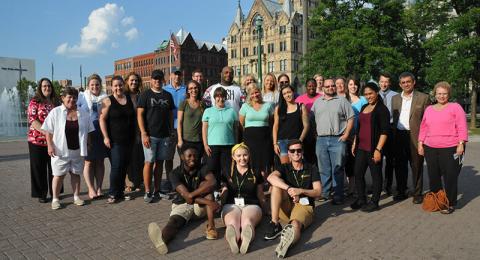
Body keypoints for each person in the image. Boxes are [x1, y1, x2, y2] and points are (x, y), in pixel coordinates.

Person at [147, 145, 220, 255]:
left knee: (207, 187)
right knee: (174, 222)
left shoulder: (203, 168)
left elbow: (213, 182)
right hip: (182, 204)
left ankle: (211, 227)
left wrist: (193, 194)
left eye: (195, 156)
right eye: (189, 156)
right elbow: (188, 199)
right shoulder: (174, 174)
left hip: (199, 208)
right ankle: (162, 240)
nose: (192, 158)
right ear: (182, 157)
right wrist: (209, 202)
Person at [264, 140, 321, 258]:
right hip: (287, 205)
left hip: (304, 206)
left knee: (295, 224)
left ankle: (286, 244)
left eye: (299, 150)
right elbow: (270, 177)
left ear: (303, 152)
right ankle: (275, 223)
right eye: (292, 151)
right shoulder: (284, 167)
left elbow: (318, 192)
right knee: (276, 186)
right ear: (288, 153)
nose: (296, 153)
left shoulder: (311, 168)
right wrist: (289, 189)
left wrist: (301, 191)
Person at [418, 82, 468, 214]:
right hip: (430, 147)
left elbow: (462, 126)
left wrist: (461, 143)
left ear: (448, 94)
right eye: (439, 93)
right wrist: (420, 143)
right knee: (433, 176)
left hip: (450, 147)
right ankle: (438, 200)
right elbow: (423, 127)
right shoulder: (429, 109)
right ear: (435, 94)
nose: (441, 96)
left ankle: (450, 203)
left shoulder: (455, 107)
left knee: (450, 176)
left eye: (444, 93)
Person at [42, 87, 95, 210]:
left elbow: (89, 130)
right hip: (60, 150)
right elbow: (48, 131)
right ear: (63, 98)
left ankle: (76, 197)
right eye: (69, 97)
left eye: (74, 97)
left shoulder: (83, 112)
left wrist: (89, 143)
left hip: (77, 150)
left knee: (76, 174)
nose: (72, 99)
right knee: (58, 175)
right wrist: (49, 145)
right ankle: (55, 199)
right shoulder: (55, 112)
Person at [312, 78, 354, 204]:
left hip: (338, 139)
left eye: (332, 86)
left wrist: (346, 135)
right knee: (323, 168)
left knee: (338, 168)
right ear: (323, 88)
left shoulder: (342, 100)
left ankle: (338, 194)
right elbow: (312, 120)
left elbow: (351, 118)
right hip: (321, 139)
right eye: (327, 86)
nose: (330, 88)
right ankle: (325, 193)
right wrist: (316, 135)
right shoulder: (317, 102)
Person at [350, 82, 390, 212]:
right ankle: (362, 198)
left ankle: (374, 202)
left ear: (376, 92)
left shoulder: (382, 109)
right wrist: (355, 142)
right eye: (366, 94)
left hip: (373, 148)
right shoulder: (364, 107)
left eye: (370, 93)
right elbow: (359, 127)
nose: (368, 96)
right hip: (361, 147)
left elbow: (385, 132)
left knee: (376, 175)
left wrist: (378, 149)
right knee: (358, 173)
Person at [391, 72, 430, 203]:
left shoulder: (423, 98)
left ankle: (417, 193)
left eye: (408, 81)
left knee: (417, 165)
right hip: (399, 136)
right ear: (400, 84)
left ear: (414, 82)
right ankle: (401, 191)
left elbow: (428, 121)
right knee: (400, 166)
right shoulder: (395, 98)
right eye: (403, 82)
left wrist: (424, 140)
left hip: (416, 137)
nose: (406, 84)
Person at [137, 70, 175, 203]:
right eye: (155, 79)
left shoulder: (168, 95)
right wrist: (143, 133)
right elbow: (140, 114)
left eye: (159, 79)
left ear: (163, 80)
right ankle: (148, 191)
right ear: (151, 80)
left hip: (164, 136)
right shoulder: (145, 94)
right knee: (149, 162)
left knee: (160, 163)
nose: (157, 81)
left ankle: (157, 190)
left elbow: (171, 114)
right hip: (150, 136)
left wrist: (171, 131)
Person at [220, 143, 266, 254]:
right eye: (239, 155)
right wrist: (220, 203)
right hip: (231, 204)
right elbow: (224, 190)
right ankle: (234, 237)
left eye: (245, 155)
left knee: (247, 221)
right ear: (233, 157)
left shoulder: (255, 171)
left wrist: (266, 207)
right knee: (232, 222)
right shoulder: (227, 171)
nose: (242, 158)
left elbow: (260, 193)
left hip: (252, 204)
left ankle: (245, 238)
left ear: (249, 155)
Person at [99, 76, 136, 203]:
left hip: (129, 139)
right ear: (112, 87)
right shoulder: (108, 101)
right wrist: (105, 137)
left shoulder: (130, 99)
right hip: (115, 140)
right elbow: (102, 119)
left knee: (124, 166)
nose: (118, 88)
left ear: (123, 85)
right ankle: (112, 193)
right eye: (115, 85)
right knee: (116, 166)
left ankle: (120, 192)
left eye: (120, 85)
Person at [27, 78, 59, 203]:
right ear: (40, 88)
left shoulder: (55, 102)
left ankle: (54, 192)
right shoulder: (34, 102)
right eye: (44, 86)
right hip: (37, 141)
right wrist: (47, 133)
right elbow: (33, 121)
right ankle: (41, 193)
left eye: (49, 86)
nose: (47, 88)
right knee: (38, 168)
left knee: (54, 167)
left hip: (54, 141)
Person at [77, 74, 108, 199]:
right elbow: (74, 110)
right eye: (92, 84)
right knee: (88, 162)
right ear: (88, 86)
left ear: (100, 85)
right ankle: (91, 189)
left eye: (97, 84)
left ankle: (99, 188)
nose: (95, 86)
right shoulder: (82, 97)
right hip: (87, 134)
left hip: (101, 133)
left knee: (100, 161)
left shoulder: (105, 98)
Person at [203, 87, 239, 184]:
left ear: (225, 98)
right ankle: (215, 190)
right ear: (214, 98)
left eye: (223, 96)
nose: (220, 99)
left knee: (227, 170)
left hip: (228, 145)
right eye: (218, 96)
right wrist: (205, 145)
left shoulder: (231, 111)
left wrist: (236, 145)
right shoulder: (208, 111)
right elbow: (204, 129)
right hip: (212, 145)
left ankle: (226, 189)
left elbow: (236, 129)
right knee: (213, 168)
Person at [239, 83, 274, 178]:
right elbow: (241, 124)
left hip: (265, 138)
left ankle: (265, 185)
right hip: (250, 139)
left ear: (260, 92)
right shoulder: (245, 106)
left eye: (257, 92)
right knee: (252, 162)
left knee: (265, 162)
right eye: (252, 93)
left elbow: (271, 122)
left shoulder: (268, 106)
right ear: (249, 95)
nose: (255, 95)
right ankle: (253, 183)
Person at [273, 84, 309, 165]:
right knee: (285, 168)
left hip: (296, 141)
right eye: (284, 94)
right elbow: (275, 126)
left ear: (293, 92)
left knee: (298, 166)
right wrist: (275, 144)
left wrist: (300, 140)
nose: (287, 95)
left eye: (289, 92)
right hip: (282, 142)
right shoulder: (278, 108)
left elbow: (306, 126)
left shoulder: (301, 106)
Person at [163, 70, 187, 193]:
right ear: (171, 76)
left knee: (183, 155)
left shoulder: (186, 89)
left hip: (183, 127)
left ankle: (183, 179)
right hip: (169, 128)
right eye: (175, 74)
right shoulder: (165, 89)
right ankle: (169, 180)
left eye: (179, 74)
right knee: (169, 156)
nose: (177, 76)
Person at [345, 76, 368, 195]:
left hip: (360, 135)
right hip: (346, 136)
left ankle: (358, 187)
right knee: (348, 162)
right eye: (350, 84)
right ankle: (350, 187)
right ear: (347, 86)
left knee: (358, 162)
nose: (353, 86)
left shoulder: (364, 100)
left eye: (355, 84)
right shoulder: (343, 99)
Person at [378, 72, 398, 195]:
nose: (384, 84)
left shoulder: (396, 96)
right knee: (377, 159)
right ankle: (378, 184)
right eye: (382, 81)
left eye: (386, 81)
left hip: (391, 129)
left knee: (390, 160)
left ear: (389, 83)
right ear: (379, 82)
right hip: (378, 129)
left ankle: (388, 185)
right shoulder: (374, 94)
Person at [124, 72, 144, 193]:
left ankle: (138, 181)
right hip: (127, 130)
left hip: (139, 129)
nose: (134, 82)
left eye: (136, 80)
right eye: (132, 80)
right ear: (127, 81)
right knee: (128, 157)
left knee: (138, 157)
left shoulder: (141, 95)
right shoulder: (123, 95)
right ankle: (128, 182)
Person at [177, 80, 206, 159]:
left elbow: (205, 123)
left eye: (196, 88)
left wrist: (205, 141)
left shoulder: (202, 104)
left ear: (198, 89)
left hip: (199, 140)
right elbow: (179, 122)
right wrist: (180, 139)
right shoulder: (183, 103)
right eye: (191, 88)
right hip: (186, 140)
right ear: (188, 91)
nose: (193, 90)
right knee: (185, 164)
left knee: (197, 163)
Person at [295, 79, 320, 165]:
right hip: (304, 131)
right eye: (309, 86)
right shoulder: (299, 99)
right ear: (306, 87)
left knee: (317, 156)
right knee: (306, 156)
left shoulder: (321, 97)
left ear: (316, 86)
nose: (311, 87)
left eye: (313, 85)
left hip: (317, 131)